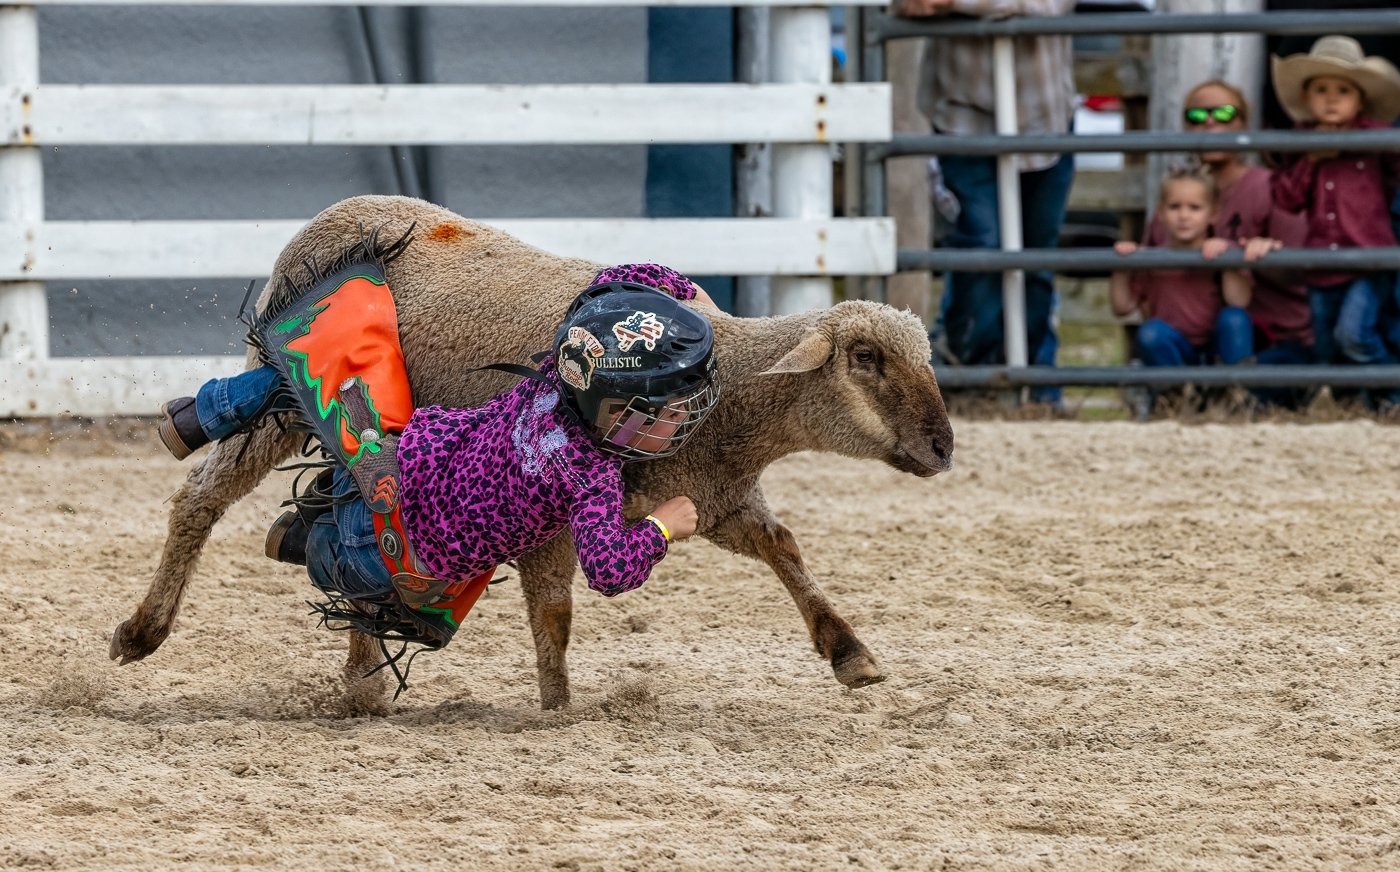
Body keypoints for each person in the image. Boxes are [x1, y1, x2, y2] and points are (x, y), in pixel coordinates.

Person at [157, 263, 721, 647]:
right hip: (391, 553)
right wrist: (661, 527)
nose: (679, 417)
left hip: (389, 460)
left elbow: (607, 285)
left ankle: (200, 416)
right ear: (617, 411)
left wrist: (675, 290)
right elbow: (608, 570)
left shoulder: (559, 372)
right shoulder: (592, 475)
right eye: (668, 408)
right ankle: (303, 542)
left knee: (322, 374)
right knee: (361, 569)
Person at [897, 0, 1076, 404]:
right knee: (981, 249)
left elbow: (1047, 6)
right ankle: (972, 378)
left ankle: (1038, 385)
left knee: (1035, 258)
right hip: (964, 116)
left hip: (1045, 116)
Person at [1147, 79, 1314, 405]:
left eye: (1224, 113)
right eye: (1196, 116)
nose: (1210, 123)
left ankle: (1235, 395)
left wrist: (1264, 256)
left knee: (1262, 372)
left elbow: (1305, 271)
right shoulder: (1173, 200)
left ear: (1244, 123)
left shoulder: (1270, 188)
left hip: (1276, 337)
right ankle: (1186, 397)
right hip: (1198, 340)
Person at [1270, 36, 1400, 380]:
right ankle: (1361, 408)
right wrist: (1311, 159)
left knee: (1354, 336)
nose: (1331, 98)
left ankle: (1393, 390)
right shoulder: (1299, 143)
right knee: (1328, 350)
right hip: (1320, 263)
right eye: (1321, 89)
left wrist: (1358, 142)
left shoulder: (1377, 139)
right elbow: (1287, 200)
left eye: (1343, 91)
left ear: (1361, 100)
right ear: (1305, 98)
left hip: (1368, 259)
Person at [1111, 169, 1253, 369]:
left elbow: (1239, 301)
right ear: (1160, 213)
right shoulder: (1152, 258)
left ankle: (1236, 392)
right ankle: (1175, 395)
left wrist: (1226, 262)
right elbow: (1121, 307)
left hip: (1216, 348)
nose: (1184, 216)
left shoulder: (1222, 250)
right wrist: (1122, 266)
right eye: (1174, 207)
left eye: (1195, 208)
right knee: (1151, 333)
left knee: (1235, 319)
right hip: (1175, 348)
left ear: (1213, 214)